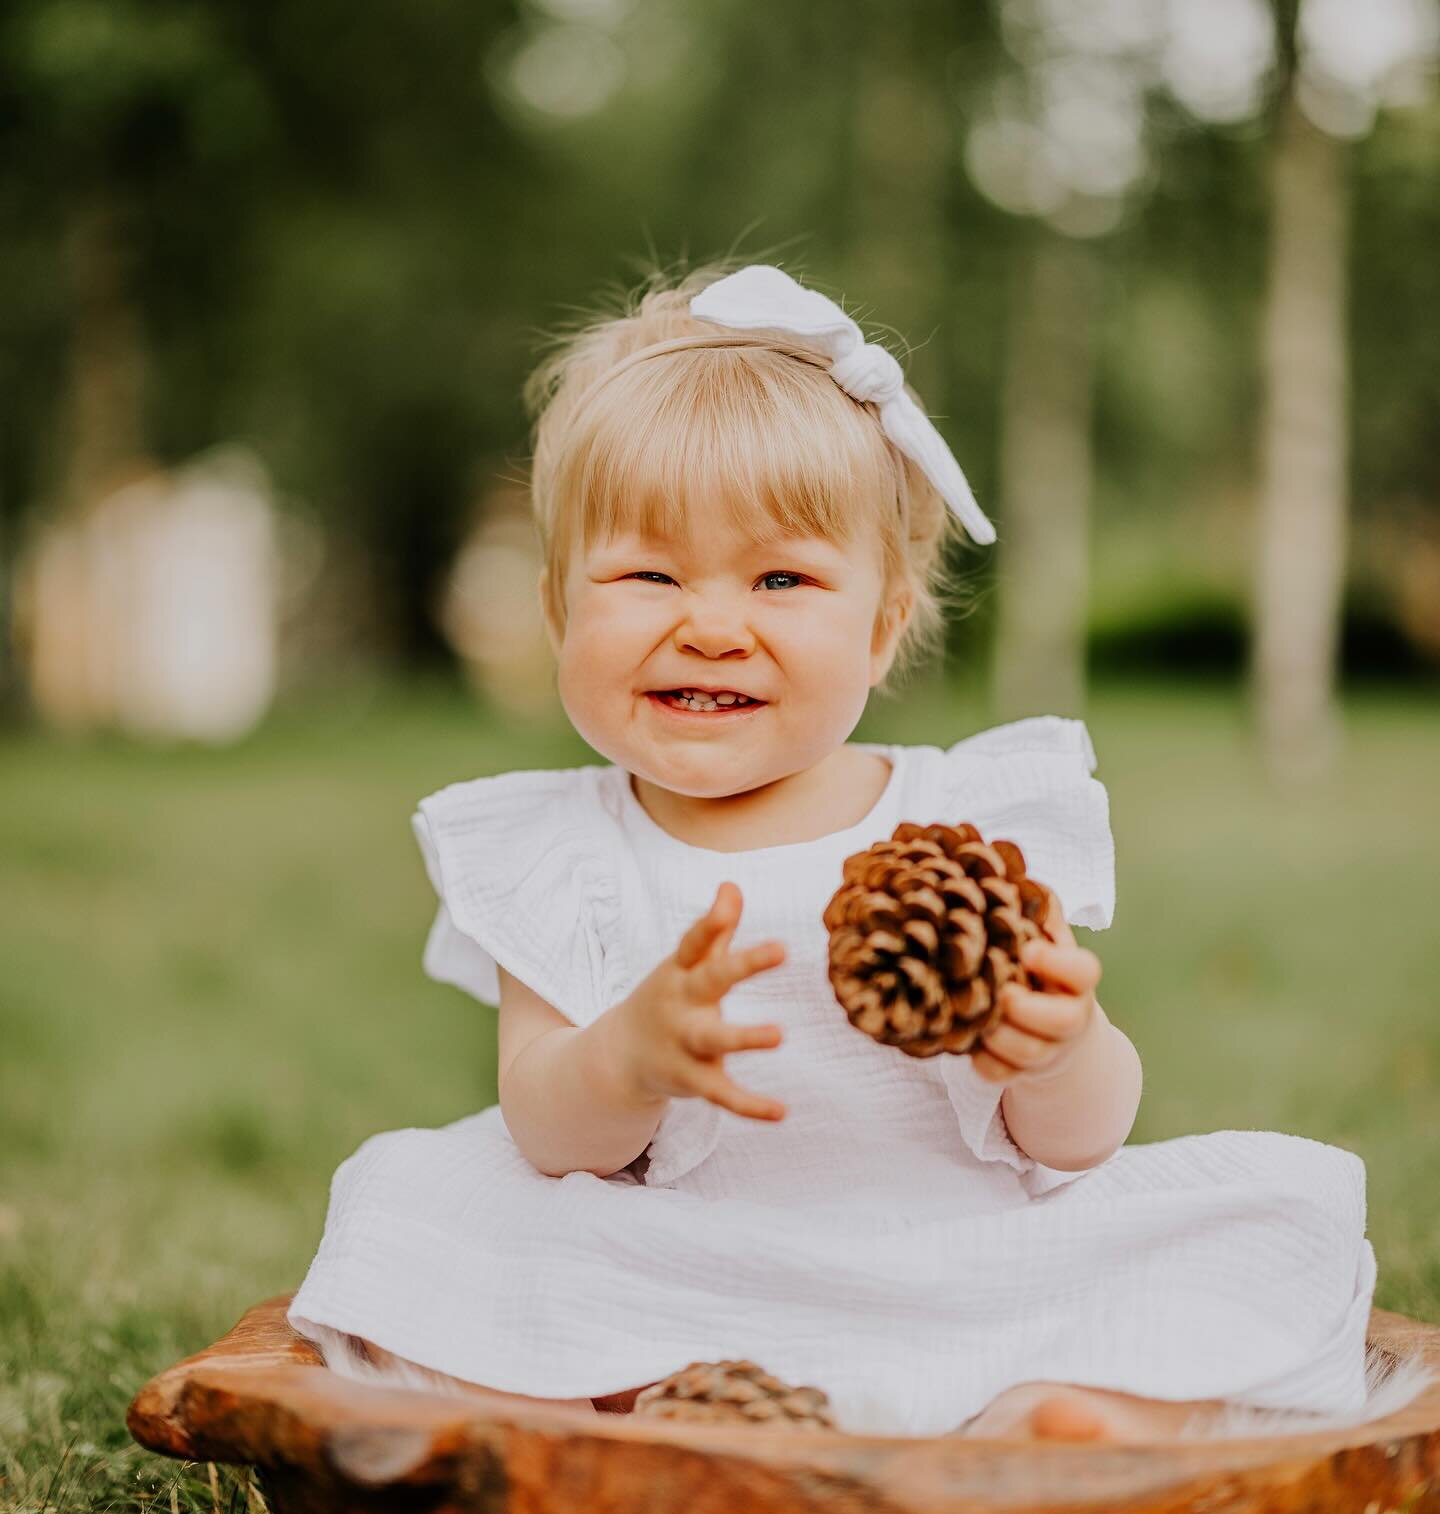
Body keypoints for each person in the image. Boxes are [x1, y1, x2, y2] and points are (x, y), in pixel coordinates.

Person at [287, 259, 1412, 1441]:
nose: (711, 626)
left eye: (781, 578)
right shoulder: (561, 850)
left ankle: (1050, 1417)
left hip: (964, 1258)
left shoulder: (974, 828)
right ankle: (654, 1411)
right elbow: (546, 1130)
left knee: (1264, 1222)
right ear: (563, 610)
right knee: (413, 1201)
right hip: (680, 1273)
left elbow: (1080, 1141)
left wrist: (1060, 1046)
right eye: (646, 574)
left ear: (881, 627)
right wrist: (626, 1058)